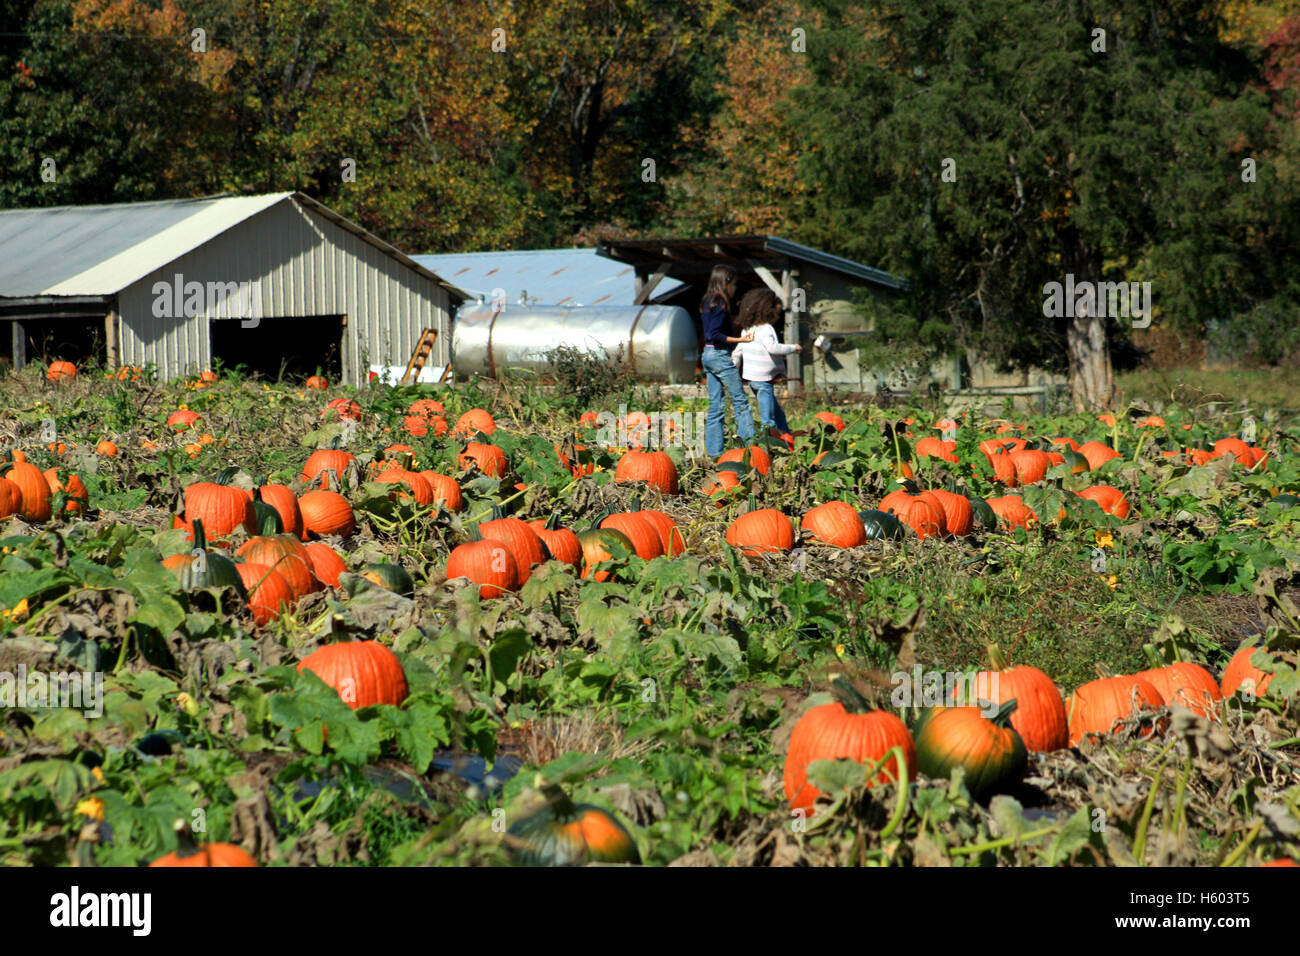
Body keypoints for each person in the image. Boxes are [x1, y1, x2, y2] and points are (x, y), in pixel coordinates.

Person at [700, 265, 755, 457]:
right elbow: (714, 334)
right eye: (735, 283)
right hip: (719, 355)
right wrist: (740, 340)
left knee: (716, 404)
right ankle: (749, 449)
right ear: (727, 281)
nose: (735, 288)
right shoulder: (721, 304)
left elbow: (711, 332)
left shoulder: (708, 302)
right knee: (741, 401)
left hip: (707, 354)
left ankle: (715, 453)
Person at [732, 288, 801, 437]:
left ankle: (786, 437)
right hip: (763, 382)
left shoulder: (747, 330)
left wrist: (734, 372)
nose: (777, 316)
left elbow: (737, 352)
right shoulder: (766, 329)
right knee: (768, 420)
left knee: (778, 413)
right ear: (768, 311)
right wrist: (793, 348)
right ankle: (768, 448)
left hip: (752, 380)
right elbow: (772, 348)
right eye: (776, 312)